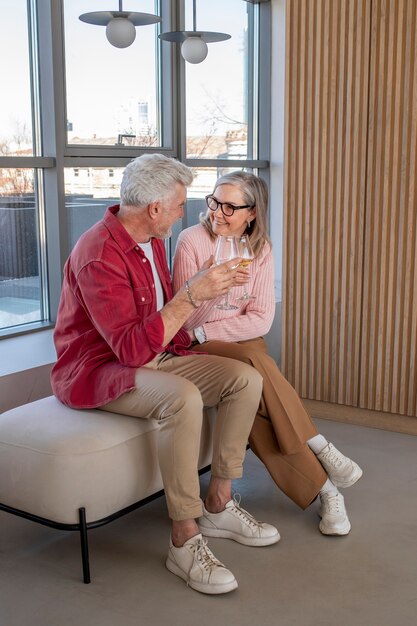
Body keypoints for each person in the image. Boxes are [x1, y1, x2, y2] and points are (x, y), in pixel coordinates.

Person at [51, 155, 280, 596]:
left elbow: (160, 328)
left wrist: (205, 302)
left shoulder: (153, 239)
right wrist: (194, 294)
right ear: (155, 208)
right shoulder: (98, 255)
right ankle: (184, 536)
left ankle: (219, 502)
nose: (185, 212)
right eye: (178, 204)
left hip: (157, 354)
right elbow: (133, 349)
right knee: (182, 398)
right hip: (101, 371)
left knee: (245, 378)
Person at [172, 170, 363, 536]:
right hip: (196, 342)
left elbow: (260, 320)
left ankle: (325, 489)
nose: (218, 212)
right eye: (214, 201)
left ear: (252, 212)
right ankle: (320, 449)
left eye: (230, 206)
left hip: (242, 341)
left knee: (260, 403)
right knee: (259, 365)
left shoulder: (260, 248)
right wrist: (210, 289)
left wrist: (210, 323)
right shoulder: (192, 241)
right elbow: (183, 318)